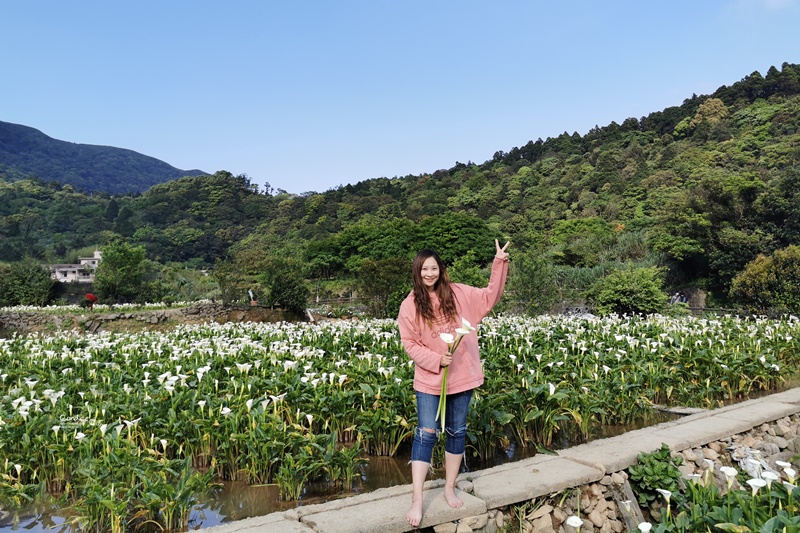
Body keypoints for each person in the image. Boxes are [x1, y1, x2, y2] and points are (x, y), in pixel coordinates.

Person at [397, 239, 510, 527]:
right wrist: (436, 359)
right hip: (429, 379)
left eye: (434, 268)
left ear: (441, 270)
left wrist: (499, 263)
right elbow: (409, 343)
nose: (430, 273)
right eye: (424, 269)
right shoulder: (410, 304)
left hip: (461, 377)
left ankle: (449, 488)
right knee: (425, 433)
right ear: (417, 272)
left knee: (457, 431)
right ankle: (418, 498)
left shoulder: (459, 294)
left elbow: (489, 297)